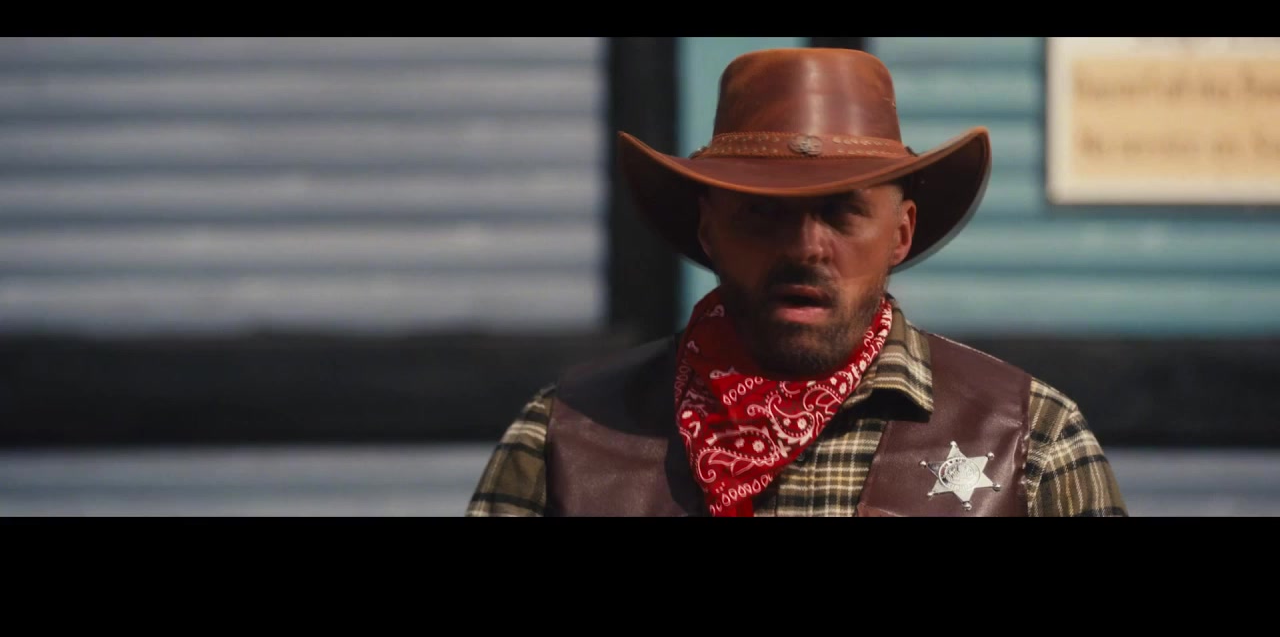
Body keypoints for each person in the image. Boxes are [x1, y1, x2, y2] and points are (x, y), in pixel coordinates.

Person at [466, 47, 1128, 517]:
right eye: (764, 213)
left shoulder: (1028, 440)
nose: (806, 247)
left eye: (842, 213)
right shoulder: (568, 437)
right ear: (709, 231)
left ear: (900, 234)